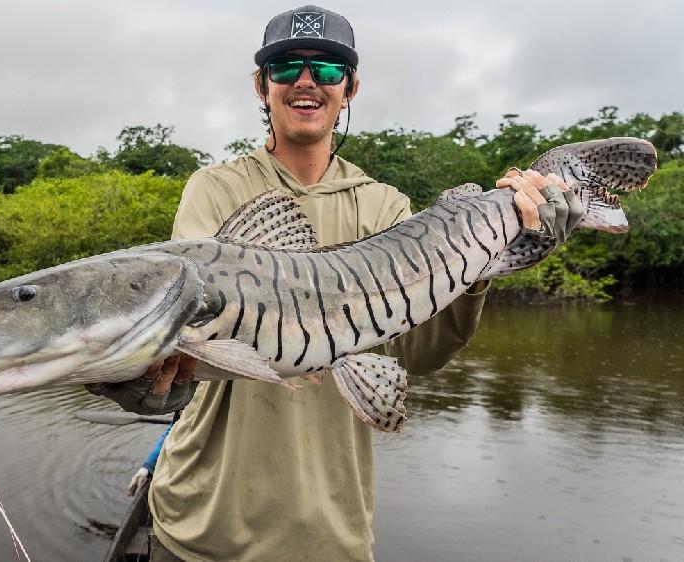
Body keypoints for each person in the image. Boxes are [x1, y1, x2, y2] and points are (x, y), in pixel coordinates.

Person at [91, 5, 580, 561]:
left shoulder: (385, 206)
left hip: (331, 532)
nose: (306, 81)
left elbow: (418, 353)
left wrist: (482, 263)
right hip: (203, 525)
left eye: (326, 69)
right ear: (262, 86)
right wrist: (129, 374)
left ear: (349, 88)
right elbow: (186, 343)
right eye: (286, 67)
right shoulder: (215, 188)